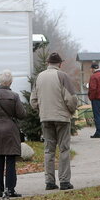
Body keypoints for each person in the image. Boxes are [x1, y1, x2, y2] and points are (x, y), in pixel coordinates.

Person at [31, 52, 79, 190]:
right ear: (60, 63)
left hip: (45, 118)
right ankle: (64, 181)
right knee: (64, 149)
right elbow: (71, 99)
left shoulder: (39, 77)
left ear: (47, 63)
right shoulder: (63, 76)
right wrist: (71, 110)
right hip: (62, 118)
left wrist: (41, 110)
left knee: (48, 150)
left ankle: (49, 182)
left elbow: (33, 101)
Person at [0, 70, 26, 197]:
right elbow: (21, 114)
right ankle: (10, 190)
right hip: (10, 130)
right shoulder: (14, 96)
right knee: (10, 161)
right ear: (10, 82)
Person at [88, 63, 100, 139]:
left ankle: (98, 132)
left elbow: (93, 89)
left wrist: (91, 97)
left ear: (93, 69)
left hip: (96, 99)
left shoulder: (93, 77)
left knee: (97, 116)